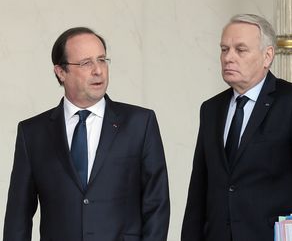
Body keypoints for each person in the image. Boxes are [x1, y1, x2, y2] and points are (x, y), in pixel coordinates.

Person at [3, 27, 170, 241]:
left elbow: (157, 203)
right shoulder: (32, 133)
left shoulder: (140, 123)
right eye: (86, 63)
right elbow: (18, 215)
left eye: (101, 60)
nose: (98, 70)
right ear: (60, 72)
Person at [181, 14, 292, 241]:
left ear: (267, 56)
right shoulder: (211, 109)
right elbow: (199, 189)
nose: (229, 57)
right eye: (224, 49)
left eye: (240, 49)